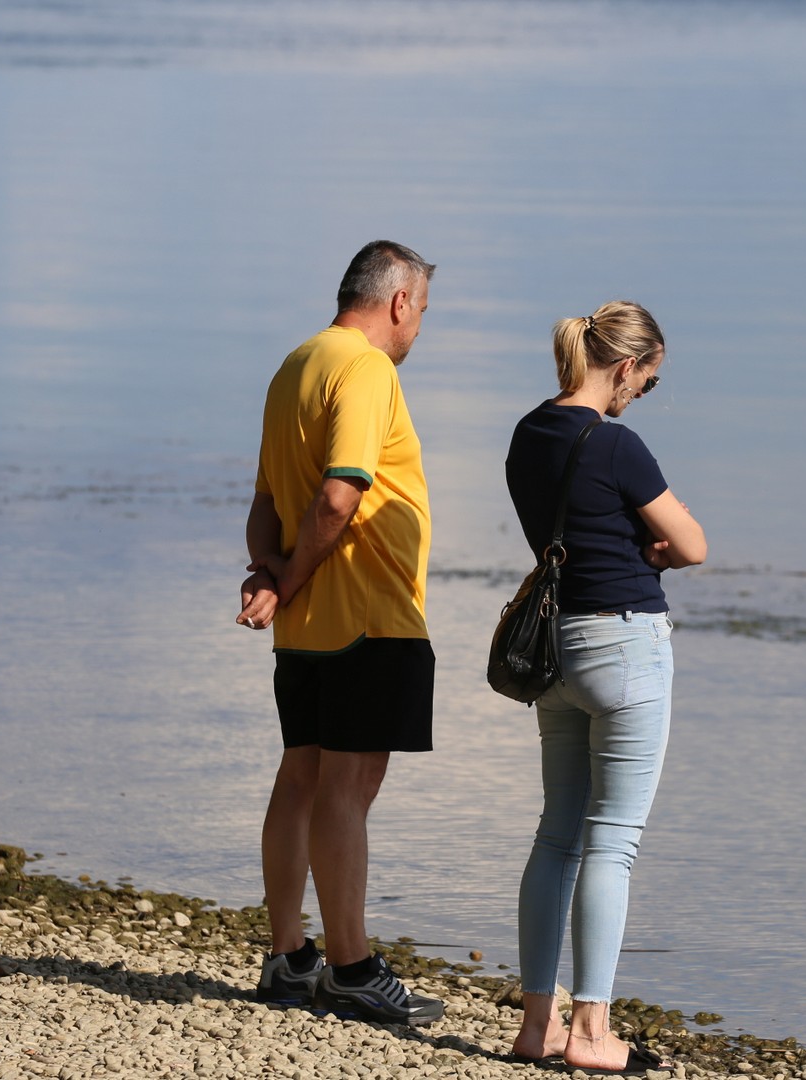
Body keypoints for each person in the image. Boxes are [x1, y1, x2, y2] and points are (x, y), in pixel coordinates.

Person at [234, 240, 443, 1026]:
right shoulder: (365, 368)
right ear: (398, 301)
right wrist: (286, 579)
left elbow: (264, 504)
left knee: (301, 779)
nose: (418, 330)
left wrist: (270, 574)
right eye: (421, 312)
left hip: (306, 629)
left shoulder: (294, 366)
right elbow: (338, 496)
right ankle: (351, 970)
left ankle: (289, 957)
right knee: (348, 790)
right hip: (367, 615)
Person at [504, 300, 707, 1073]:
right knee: (612, 842)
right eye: (648, 382)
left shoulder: (529, 433)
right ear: (626, 367)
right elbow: (692, 544)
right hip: (624, 646)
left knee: (556, 835)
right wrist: (654, 549)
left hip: (555, 651)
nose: (642, 394)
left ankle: (538, 1025)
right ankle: (592, 1031)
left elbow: (567, 531)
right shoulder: (617, 444)